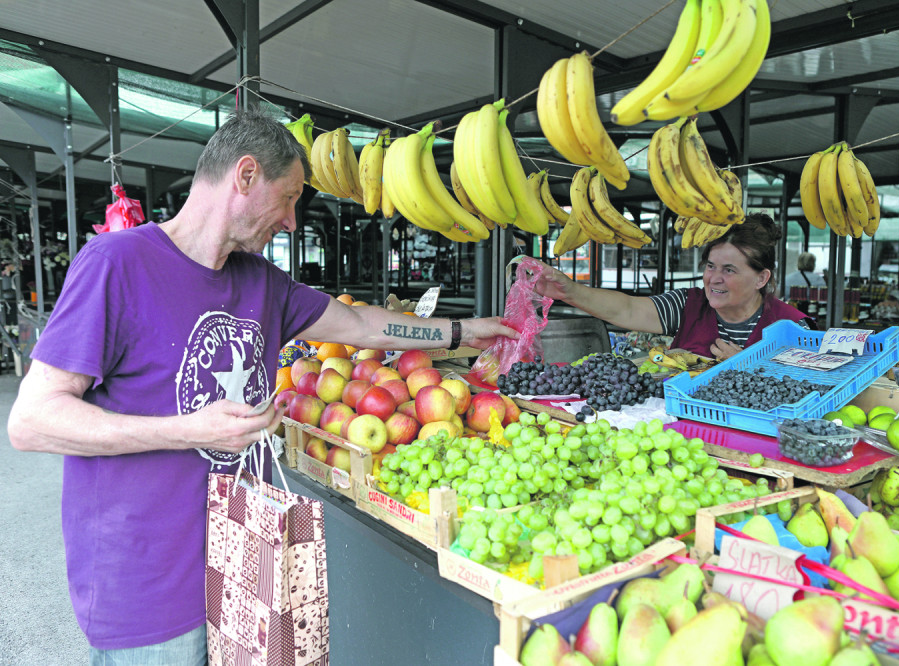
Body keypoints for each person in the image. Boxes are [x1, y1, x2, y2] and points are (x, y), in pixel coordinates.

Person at [6, 109, 516, 665]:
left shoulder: (261, 282)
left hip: (248, 565)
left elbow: (361, 325)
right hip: (147, 584)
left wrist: (463, 332)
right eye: (290, 197)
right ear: (245, 176)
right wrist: (186, 431)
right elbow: (31, 420)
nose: (294, 222)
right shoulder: (117, 264)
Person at [533, 214, 814, 361]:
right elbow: (628, 309)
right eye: (710, 266)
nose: (714, 278)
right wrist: (569, 291)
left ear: (761, 279)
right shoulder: (688, 305)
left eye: (729, 270)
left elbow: (814, 389)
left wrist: (752, 367)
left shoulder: (793, 327)